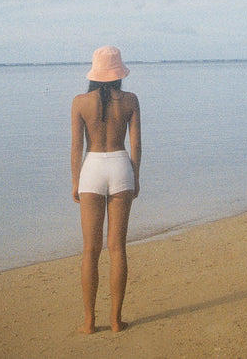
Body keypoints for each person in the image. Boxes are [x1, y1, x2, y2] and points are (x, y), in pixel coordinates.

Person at [71, 46, 141, 334]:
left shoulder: (79, 102)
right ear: (118, 73)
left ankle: (89, 322)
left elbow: (77, 147)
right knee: (117, 248)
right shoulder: (130, 100)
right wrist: (135, 177)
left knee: (90, 250)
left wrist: (76, 181)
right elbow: (136, 145)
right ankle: (115, 320)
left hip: (93, 169)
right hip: (120, 165)